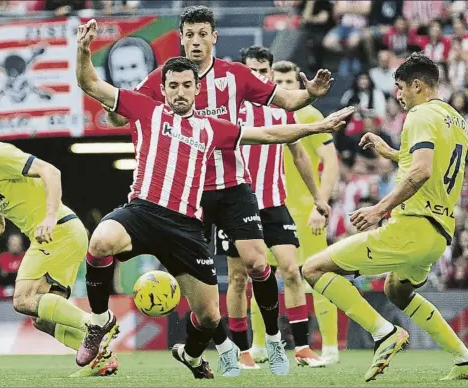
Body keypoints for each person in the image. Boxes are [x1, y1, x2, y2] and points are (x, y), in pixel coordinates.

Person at [74, 18, 353, 379]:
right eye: (172, 85)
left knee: (212, 311)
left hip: (195, 217)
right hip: (145, 210)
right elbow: (91, 84)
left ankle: (212, 351)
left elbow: (269, 131)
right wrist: (83, 51)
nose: (179, 91)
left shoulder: (212, 127)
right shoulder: (146, 108)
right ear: (162, 87)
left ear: (196, 89)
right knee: (100, 241)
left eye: (187, 85)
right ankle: (100, 322)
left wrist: (317, 122)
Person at [302, 53, 468, 382]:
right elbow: (430, 161)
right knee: (397, 291)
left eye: (400, 87)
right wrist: (389, 152)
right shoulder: (455, 119)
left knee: (313, 269)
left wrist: (378, 210)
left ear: (418, 85)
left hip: (411, 226)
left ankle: (384, 333)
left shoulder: (419, 115)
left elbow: (421, 171)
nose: (398, 94)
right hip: (438, 234)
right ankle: (465, 359)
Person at [0, 107, 116, 377]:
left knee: (22, 299)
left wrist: (48, 216)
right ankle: (101, 359)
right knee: (42, 320)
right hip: (60, 235)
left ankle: (97, 324)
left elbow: (51, 172)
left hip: (57, 230)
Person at [216, 47, 328, 369]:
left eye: (263, 70)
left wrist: (318, 197)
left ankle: (303, 348)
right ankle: (242, 351)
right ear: (242, 72)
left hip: (273, 202)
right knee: (239, 278)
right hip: (236, 203)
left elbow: (300, 156)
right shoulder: (229, 110)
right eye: (253, 71)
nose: (259, 76)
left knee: (291, 270)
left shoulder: (281, 110)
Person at [252, 59, 341, 366]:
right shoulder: (260, 113)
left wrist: (322, 205)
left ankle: (329, 348)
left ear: (299, 84)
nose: (286, 88)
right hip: (269, 207)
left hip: (305, 213)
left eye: (291, 82)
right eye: (280, 82)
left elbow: (330, 160)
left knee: (316, 275)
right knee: (259, 273)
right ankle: (259, 346)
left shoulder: (309, 114)